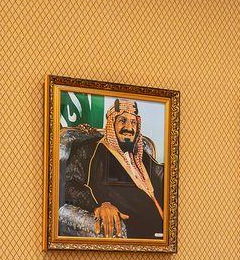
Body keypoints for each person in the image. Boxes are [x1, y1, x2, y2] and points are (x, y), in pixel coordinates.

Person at [59, 98, 165, 240]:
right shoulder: (89, 150)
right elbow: (69, 185)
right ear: (111, 123)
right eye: (122, 121)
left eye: (133, 122)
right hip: (136, 230)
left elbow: (162, 175)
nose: (129, 127)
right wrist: (98, 205)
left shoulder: (140, 154)